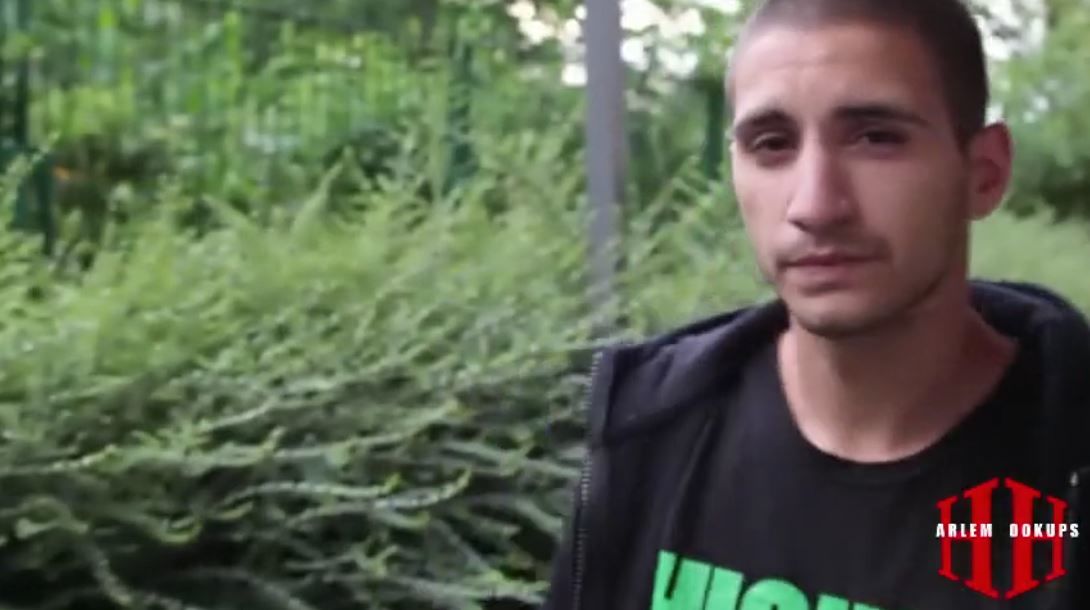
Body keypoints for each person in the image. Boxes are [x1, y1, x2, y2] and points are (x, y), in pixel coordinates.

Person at [540, 0, 1090, 609]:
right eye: (772, 144)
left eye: (877, 138)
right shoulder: (651, 434)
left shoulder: (1067, 474)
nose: (816, 205)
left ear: (984, 174)